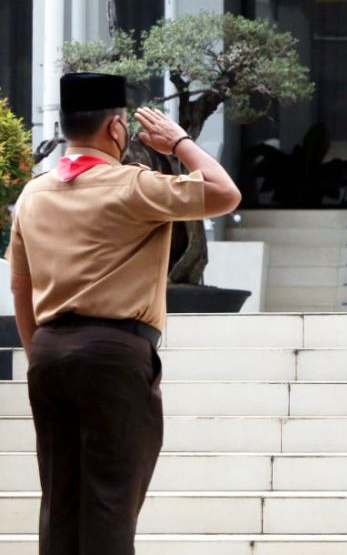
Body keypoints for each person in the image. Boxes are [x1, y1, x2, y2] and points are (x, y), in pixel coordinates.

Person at [6, 72, 241, 554]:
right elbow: (225, 192)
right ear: (116, 128)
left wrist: (39, 355)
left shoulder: (33, 194)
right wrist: (178, 143)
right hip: (114, 354)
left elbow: (21, 285)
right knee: (110, 500)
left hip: (49, 354)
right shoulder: (134, 186)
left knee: (60, 501)